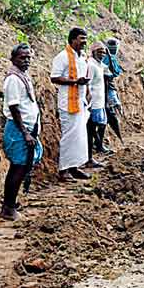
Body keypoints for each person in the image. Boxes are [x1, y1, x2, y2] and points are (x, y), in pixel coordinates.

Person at [1, 43, 42, 220]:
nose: (26, 61)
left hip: (26, 128)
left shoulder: (22, 76)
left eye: (28, 57)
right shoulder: (13, 79)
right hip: (19, 129)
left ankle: (10, 204)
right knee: (17, 168)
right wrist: (25, 132)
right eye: (22, 57)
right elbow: (14, 107)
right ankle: (8, 208)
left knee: (21, 167)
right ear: (13, 59)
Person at [50, 27, 92, 182]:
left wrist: (87, 90)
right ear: (73, 39)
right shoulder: (62, 57)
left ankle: (74, 167)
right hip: (67, 102)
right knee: (69, 136)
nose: (84, 42)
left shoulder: (82, 57)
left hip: (80, 101)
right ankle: (63, 170)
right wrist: (75, 82)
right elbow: (54, 78)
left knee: (79, 136)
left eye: (85, 39)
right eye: (82, 38)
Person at [86, 42, 109, 167]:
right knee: (90, 131)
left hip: (99, 103)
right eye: (99, 51)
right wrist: (88, 101)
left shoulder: (99, 65)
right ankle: (88, 159)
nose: (102, 54)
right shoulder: (91, 65)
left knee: (95, 128)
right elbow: (87, 84)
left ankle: (94, 152)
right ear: (93, 51)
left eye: (104, 52)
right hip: (92, 104)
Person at [102, 37, 124, 149]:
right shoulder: (106, 58)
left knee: (107, 116)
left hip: (108, 89)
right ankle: (99, 143)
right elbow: (106, 75)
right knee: (109, 115)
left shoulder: (111, 58)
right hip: (105, 90)